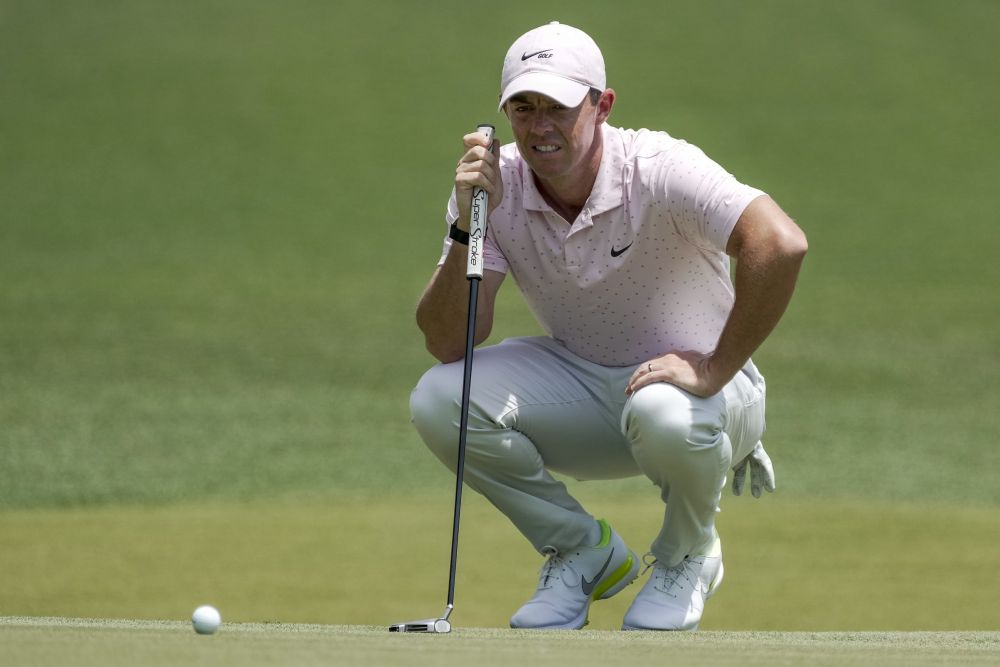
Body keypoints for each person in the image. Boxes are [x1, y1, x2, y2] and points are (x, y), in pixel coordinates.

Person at [410, 21, 807, 631]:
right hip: (590, 391)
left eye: (558, 107)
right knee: (440, 399)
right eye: (524, 107)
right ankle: (582, 550)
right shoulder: (492, 187)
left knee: (665, 411)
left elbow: (779, 243)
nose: (540, 126)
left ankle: (688, 554)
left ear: (602, 105)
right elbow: (447, 341)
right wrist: (468, 225)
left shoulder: (660, 167)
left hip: (709, 400)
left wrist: (713, 368)